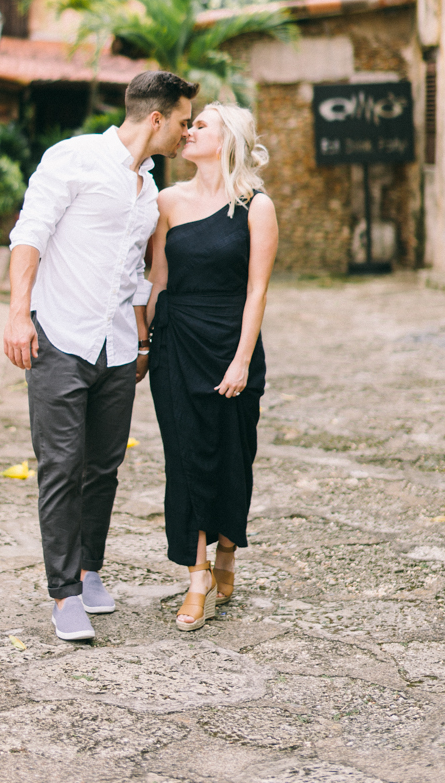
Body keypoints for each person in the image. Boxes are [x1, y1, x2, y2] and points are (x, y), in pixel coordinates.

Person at [4, 70, 199, 641]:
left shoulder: (148, 184)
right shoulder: (73, 159)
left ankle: (90, 570)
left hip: (115, 346)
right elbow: (29, 235)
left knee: (104, 469)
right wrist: (19, 315)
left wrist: (140, 340)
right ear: (157, 118)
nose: (187, 133)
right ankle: (63, 594)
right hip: (59, 337)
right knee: (61, 466)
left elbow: (134, 273)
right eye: (184, 122)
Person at [146, 102, 278, 631]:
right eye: (190, 123)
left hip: (231, 340)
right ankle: (196, 573)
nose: (189, 130)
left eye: (201, 125)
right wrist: (141, 345)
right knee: (184, 458)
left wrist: (242, 359)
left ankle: (226, 551)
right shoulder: (167, 201)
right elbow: (157, 279)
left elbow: (257, 289)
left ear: (228, 140)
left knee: (230, 455)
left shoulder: (255, 205)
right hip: (176, 340)